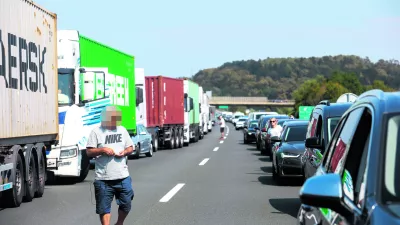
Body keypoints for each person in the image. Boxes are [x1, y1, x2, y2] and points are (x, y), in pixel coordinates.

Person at [86, 106, 134, 225]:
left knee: (126, 203)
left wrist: (125, 152)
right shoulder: (96, 132)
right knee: (104, 208)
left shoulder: (122, 130)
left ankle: (119, 223)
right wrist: (102, 150)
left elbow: (130, 147)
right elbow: (89, 152)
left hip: (122, 177)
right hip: (103, 179)